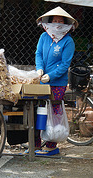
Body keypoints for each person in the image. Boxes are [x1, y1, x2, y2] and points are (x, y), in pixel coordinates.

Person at [34, 6, 78, 156]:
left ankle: (52, 145)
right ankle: (36, 144)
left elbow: (65, 64)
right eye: (54, 21)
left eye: (60, 21)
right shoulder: (43, 37)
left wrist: (51, 76)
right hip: (42, 81)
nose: (57, 24)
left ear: (66, 24)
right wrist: (39, 69)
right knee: (40, 111)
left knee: (55, 112)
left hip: (58, 83)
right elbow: (38, 54)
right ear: (49, 22)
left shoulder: (68, 41)